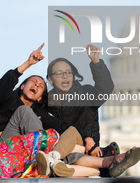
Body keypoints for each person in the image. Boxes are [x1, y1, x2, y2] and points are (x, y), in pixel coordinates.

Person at [0, 49, 140, 178]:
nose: (37, 84)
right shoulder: (7, 100)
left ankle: (108, 164)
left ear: (41, 96)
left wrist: (88, 139)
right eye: (33, 81)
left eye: (41, 85)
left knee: (60, 160)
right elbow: (2, 86)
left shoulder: (40, 112)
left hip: (4, 154)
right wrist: (28, 64)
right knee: (44, 132)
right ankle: (60, 155)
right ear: (22, 86)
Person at [46, 44, 116, 175]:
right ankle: (104, 167)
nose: (65, 76)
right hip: (59, 148)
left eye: (68, 72)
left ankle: (104, 163)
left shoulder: (85, 93)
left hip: (85, 149)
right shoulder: (46, 101)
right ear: (50, 79)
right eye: (59, 73)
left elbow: (105, 89)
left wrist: (96, 62)